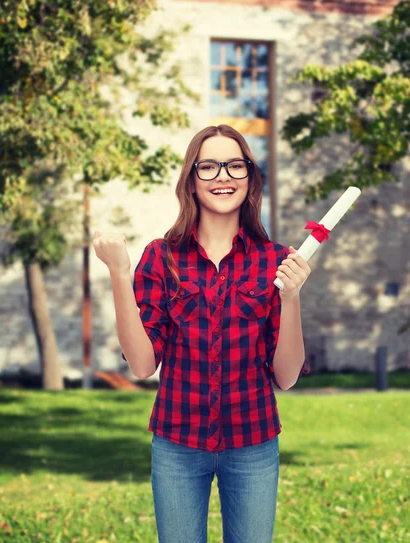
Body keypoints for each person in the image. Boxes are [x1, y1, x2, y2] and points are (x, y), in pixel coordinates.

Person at [92, 124, 311, 543]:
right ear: (191, 182)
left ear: (250, 179)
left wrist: (292, 298)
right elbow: (141, 365)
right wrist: (119, 272)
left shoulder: (277, 261)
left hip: (253, 443)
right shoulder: (161, 256)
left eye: (234, 166)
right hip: (177, 443)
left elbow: (285, 376)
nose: (223, 176)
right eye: (208, 167)